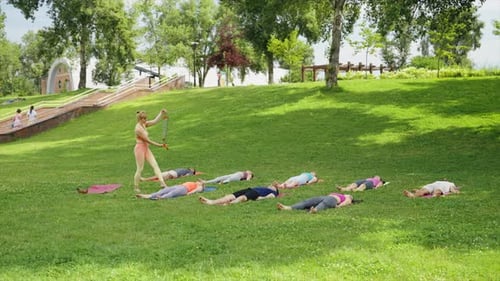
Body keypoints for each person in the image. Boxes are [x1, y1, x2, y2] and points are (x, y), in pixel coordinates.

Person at [134, 109, 169, 193]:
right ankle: (136, 186)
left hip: (146, 148)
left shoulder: (144, 124)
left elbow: (154, 121)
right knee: (140, 168)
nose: (145, 120)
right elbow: (147, 140)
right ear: (139, 119)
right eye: (143, 119)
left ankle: (162, 183)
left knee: (155, 165)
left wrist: (161, 113)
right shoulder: (138, 129)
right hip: (139, 149)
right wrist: (159, 145)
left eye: (146, 118)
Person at [277, 192, 359, 214]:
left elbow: (346, 202)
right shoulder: (341, 194)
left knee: (324, 204)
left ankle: (315, 210)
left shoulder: (348, 197)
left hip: (333, 200)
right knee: (306, 202)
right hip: (323, 197)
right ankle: (288, 207)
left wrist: (339, 206)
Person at [199, 185, 278, 205]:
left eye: (272, 186)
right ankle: (212, 202)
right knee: (230, 196)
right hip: (249, 189)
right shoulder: (265, 187)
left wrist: (260, 198)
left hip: (256, 193)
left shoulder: (273, 192)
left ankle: (229, 203)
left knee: (243, 197)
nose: (270, 185)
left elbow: (270, 196)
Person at [136, 181, 205, 200]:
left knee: (172, 193)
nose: (198, 181)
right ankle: (149, 195)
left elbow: (196, 190)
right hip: (179, 186)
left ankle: (162, 197)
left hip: (184, 189)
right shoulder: (194, 182)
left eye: (200, 181)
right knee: (164, 190)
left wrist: (189, 193)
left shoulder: (200, 187)